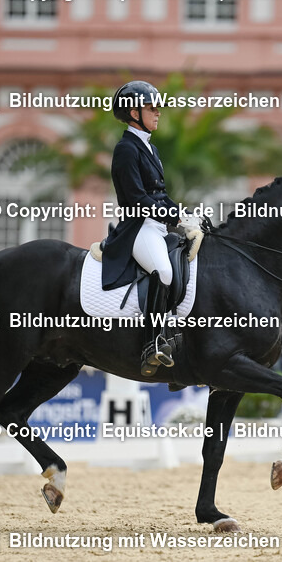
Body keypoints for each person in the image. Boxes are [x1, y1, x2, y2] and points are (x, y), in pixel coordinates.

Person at [101, 80, 183, 376]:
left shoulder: (150, 147)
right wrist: (173, 216)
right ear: (134, 112)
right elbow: (137, 199)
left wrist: (183, 213)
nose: (158, 112)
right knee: (164, 271)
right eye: (152, 107)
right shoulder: (126, 149)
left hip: (158, 226)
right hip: (140, 228)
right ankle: (152, 344)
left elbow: (159, 193)